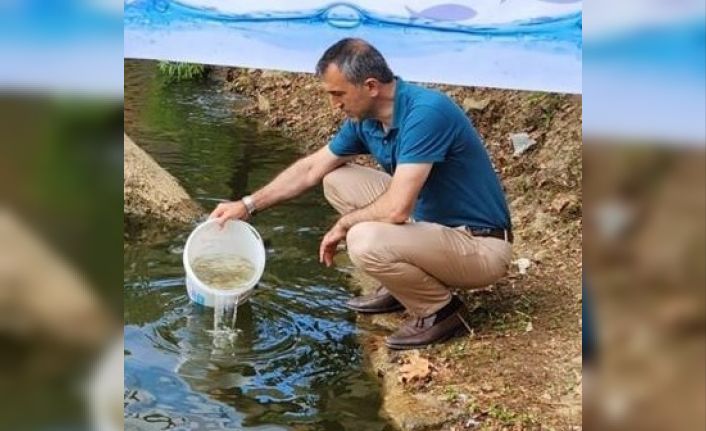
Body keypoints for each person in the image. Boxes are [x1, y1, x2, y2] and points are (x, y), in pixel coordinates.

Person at [210, 38, 513, 350]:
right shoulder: (366, 121)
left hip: (479, 245)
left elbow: (396, 209)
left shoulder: (426, 113)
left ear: (370, 86)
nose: (335, 104)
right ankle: (402, 285)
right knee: (335, 178)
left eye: (338, 94)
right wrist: (248, 205)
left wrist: (344, 225)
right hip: (431, 225)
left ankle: (441, 312)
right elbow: (312, 169)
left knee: (362, 239)